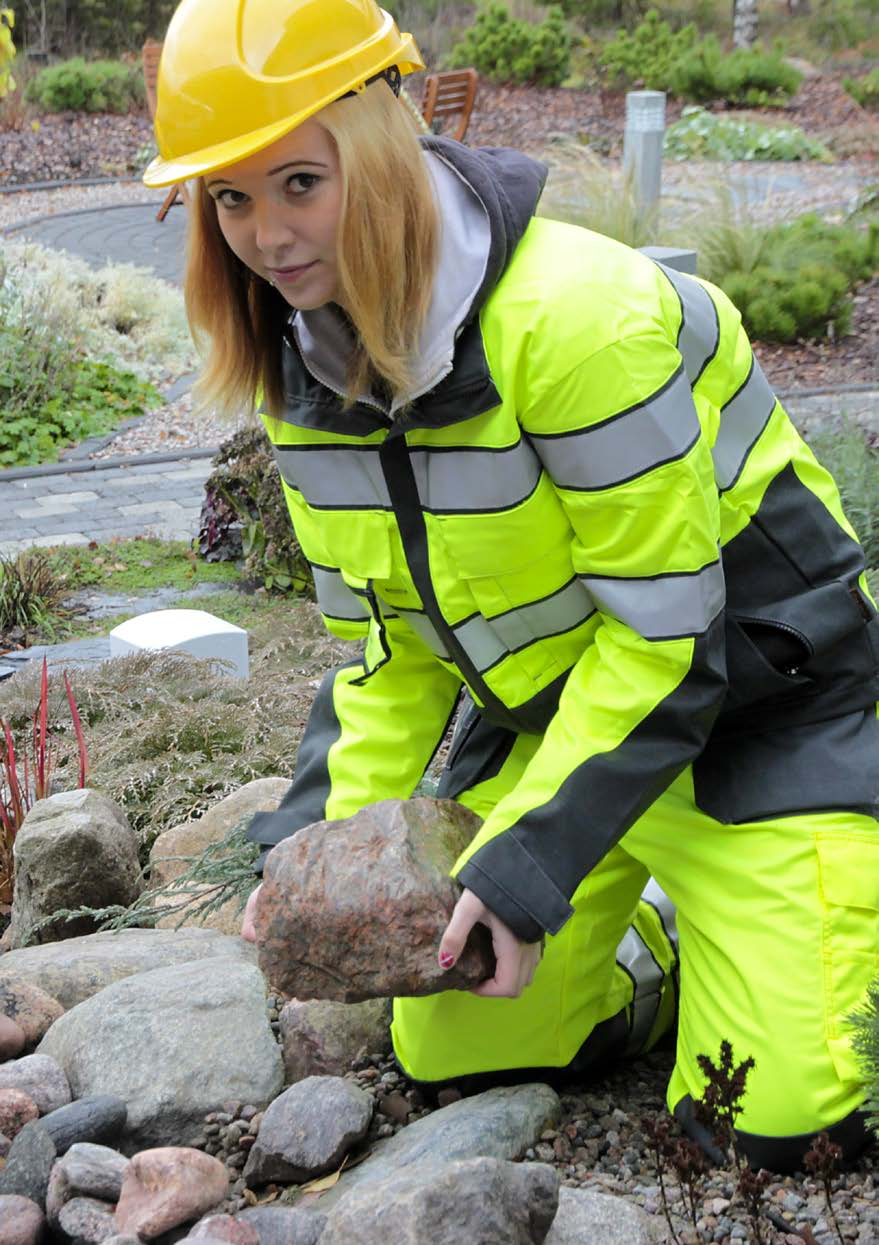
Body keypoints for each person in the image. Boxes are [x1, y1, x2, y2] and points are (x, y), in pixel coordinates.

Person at [144, 0, 879, 1172]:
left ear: (381, 142)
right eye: (229, 197)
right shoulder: (308, 375)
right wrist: (312, 859)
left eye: (298, 181)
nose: (266, 236)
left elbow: (668, 643)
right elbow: (386, 660)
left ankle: (799, 896)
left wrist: (529, 868)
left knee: (782, 1118)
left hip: (758, 716)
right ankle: (661, 942)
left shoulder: (581, 320)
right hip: (569, 731)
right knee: (452, 1048)